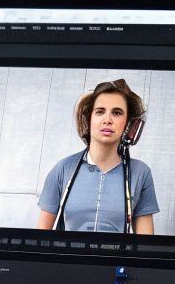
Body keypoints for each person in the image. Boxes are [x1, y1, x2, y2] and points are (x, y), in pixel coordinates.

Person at [36, 78, 159, 234]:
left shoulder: (140, 173)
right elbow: (40, 238)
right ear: (89, 118)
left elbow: (144, 245)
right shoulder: (63, 169)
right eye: (100, 111)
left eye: (117, 112)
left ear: (127, 122)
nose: (107, 120)